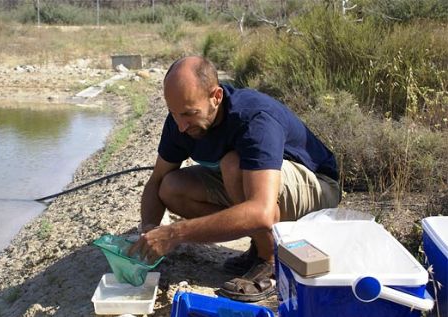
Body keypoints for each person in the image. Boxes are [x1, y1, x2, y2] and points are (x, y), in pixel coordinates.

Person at [128, 56, 340, 302]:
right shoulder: (179, 121)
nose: (181, 126)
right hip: (266, 186)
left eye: (189, 114)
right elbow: (156, 181)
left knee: (233, 164)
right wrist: (148, 232)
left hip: (317, 187)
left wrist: (175, 233)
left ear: (216, 97)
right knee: (171, 187)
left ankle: (270, 261)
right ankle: (259, 245)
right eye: (174, 114)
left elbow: (261, 211)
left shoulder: (254, 118)